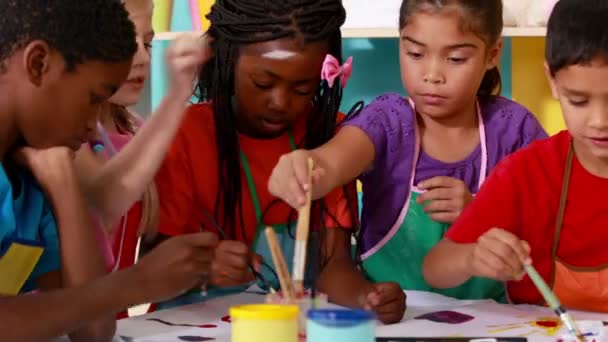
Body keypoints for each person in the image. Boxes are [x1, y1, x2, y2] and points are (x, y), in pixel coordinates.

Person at [268, 0, 546, 302]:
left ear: (492, 54)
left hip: (492, 320)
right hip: (394, 314)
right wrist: (302, 166)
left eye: (455, 59)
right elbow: (328, 163)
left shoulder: (515, 131)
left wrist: (479, 212)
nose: (432, 75)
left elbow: (551, 221)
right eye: (415, 54)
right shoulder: (388, 122)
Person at [154, 0, 405, 324]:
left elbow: (333, 265)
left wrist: (366, 298)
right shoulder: (184, 136)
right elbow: (151, 267)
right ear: (226, 58)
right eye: (263, 83)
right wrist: (202, 267)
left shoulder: (332, 140)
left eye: (302, 88)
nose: (280, 102)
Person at [0, 1, 218, 340]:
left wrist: (64, 184)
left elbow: (93, 330)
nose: (92, 127)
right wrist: (136, 283)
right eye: (93, 99)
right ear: (39, 63)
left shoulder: (32, 178)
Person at [423, 0, 608, 312]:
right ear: (552, 81)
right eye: (578, 100)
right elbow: (435, 267)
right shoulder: (531, 172)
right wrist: (473, 257)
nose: (600, 120)